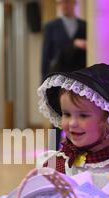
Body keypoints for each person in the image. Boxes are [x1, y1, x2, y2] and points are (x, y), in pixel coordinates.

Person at [41, 0, 87, 150]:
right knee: (57, 117)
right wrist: (44, 82)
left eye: (67, 2)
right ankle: (53, 153)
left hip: (78, 79)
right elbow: (46, 56)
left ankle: (75, 149)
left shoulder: (84, 26)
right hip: (57, 79)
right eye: (60, 3)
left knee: (77, 115)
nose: (64, 6)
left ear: (74, 3)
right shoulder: (51, 27)